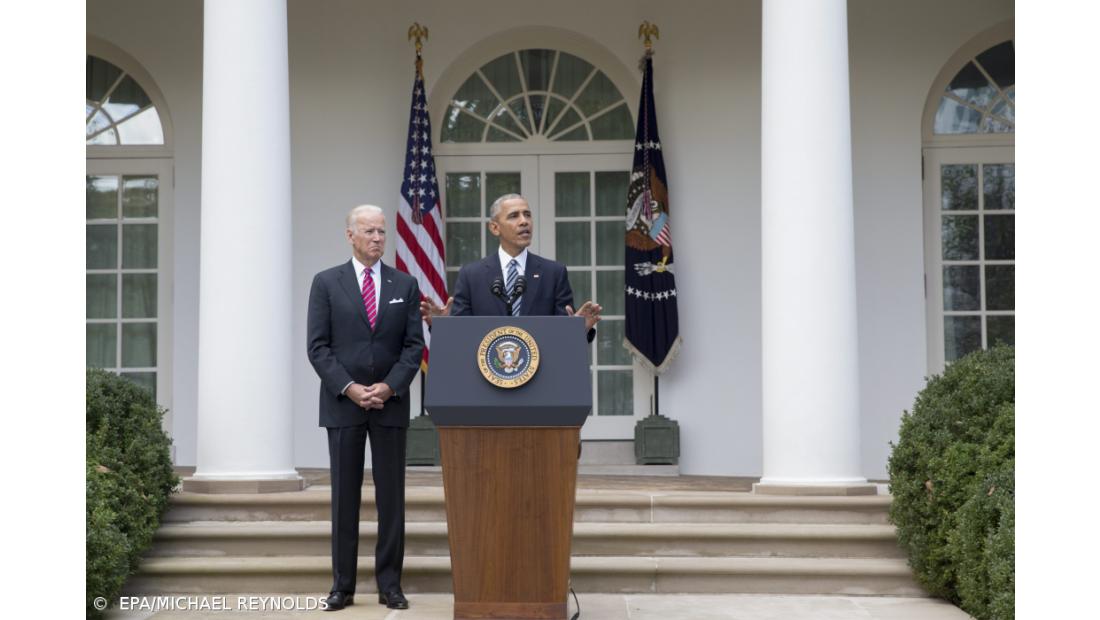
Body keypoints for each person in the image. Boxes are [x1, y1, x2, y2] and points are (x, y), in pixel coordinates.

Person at [307, 205, 424, 611]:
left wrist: (389, 387)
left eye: (381, 232)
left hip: (390, 406)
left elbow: (413, 347)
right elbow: (318, 347)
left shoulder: (405, 284)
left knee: (392, 499)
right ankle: (343, 586)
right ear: (350, 236)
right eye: (369, 231)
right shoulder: (326, 283)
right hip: (343, 405)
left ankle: (390, 584)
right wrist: (351, 388)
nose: (377, 238)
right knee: (344, 499)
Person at [421, 193, 602, 337]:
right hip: (485, 376)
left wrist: (580, 329)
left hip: (540, 376)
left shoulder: (553, 273)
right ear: (494, 228)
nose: (524, 221)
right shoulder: (471, 275)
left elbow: (563, 336)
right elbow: (459, 337)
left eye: (527, 215)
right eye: (514, 216)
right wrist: (442, 326)